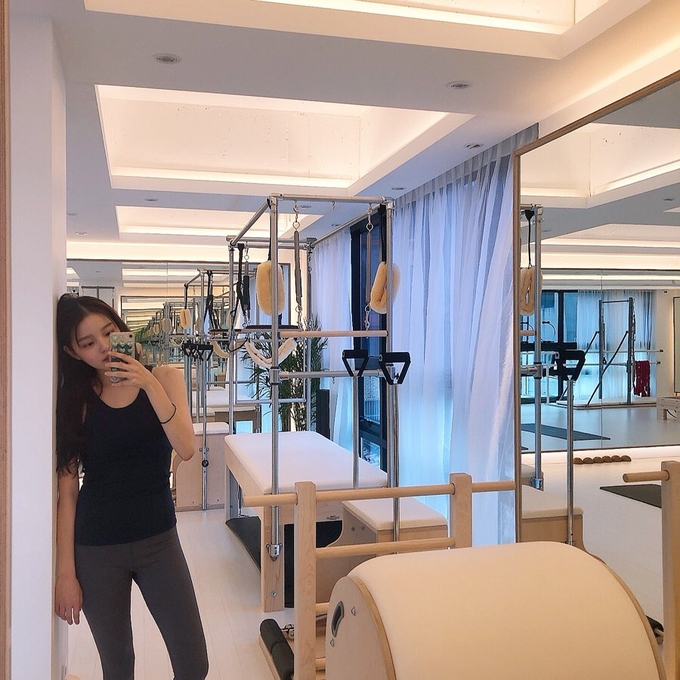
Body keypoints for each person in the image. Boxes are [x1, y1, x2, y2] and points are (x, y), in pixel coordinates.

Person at [54, 293, 209, 680]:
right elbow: (67, 492)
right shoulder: (76, 401)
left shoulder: (165, 377)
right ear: (73, 353)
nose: (104, 346)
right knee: (118, 666)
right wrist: (65, 573)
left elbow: (186, 448)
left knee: (194, 664)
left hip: (159, 539)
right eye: (88, 343)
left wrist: (148, 382)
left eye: (109, 333)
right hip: (96, 549)